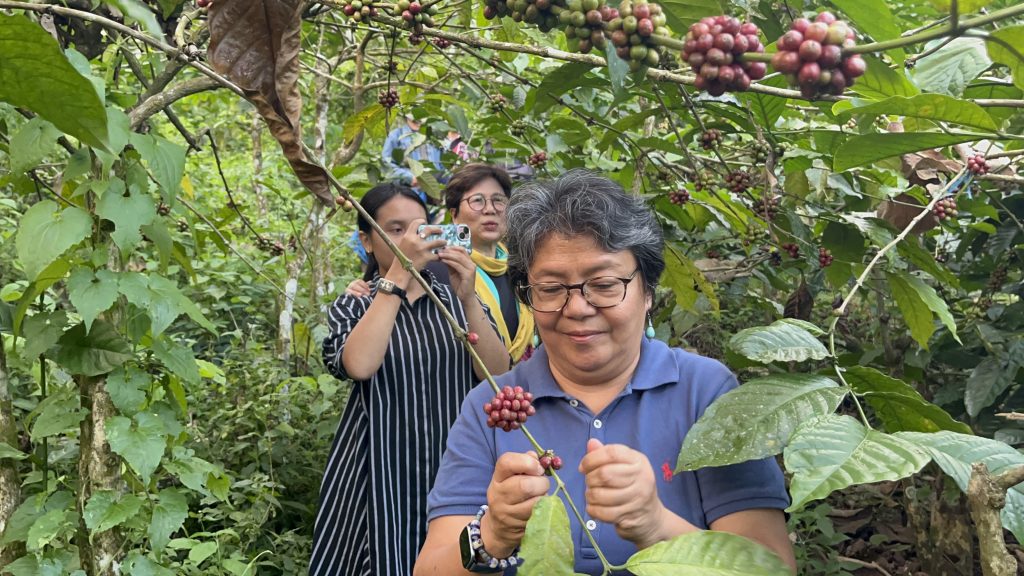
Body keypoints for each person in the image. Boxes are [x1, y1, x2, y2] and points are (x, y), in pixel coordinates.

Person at [414, 170, 796, 575]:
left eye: (605, 283)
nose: (578, 308)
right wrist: (491, 534)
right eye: (551, 288)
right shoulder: (493, 406)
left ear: (647, 291)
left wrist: (656, 526)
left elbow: (771, 568)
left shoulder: (705, 391)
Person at [312, 183, 510, 576]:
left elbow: (497, 372)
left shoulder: (454, 299)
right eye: (395, 229)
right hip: (379, 468)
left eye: (418, 229)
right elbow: (359, 365)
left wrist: (469, 297)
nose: (409, 240)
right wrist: (398, 278)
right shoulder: (356, 303)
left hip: (456, 461)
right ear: (367, 241)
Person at [345, 164, 536, 364]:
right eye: (477, 201)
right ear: (453, 215)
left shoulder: (522, 264)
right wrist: (364, 289)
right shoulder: (434, 271)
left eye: (498, 200)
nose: (490, 209)